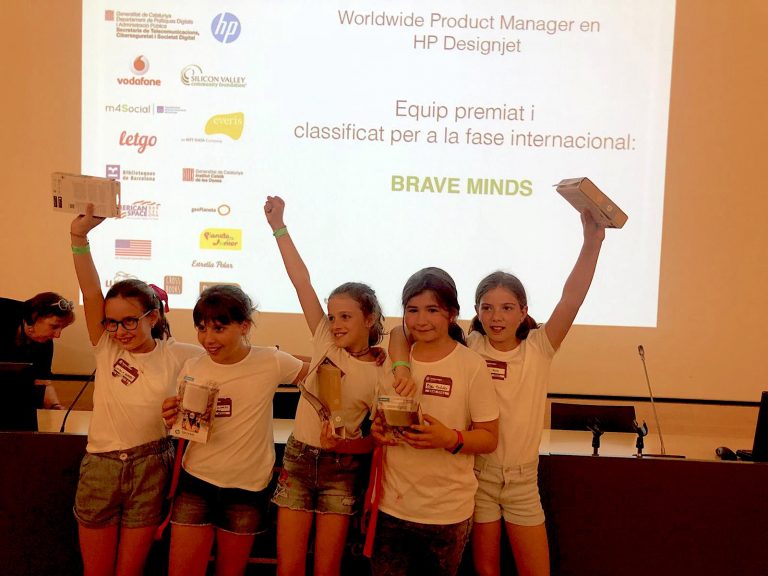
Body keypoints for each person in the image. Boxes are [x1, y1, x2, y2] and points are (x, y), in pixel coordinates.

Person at [469, 210, 607, 576]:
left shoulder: (539, 347)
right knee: (485, 570)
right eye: (487, 308)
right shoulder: (470, 347)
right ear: (476, 312)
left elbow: (571, 299)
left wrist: (592, 243)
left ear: (523, 312)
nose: (496, 317)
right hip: (479, 476)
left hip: (522, 481)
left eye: (507, 308)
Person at [70, 204, 203, 576]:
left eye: (130, 321)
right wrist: (78, 237)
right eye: (112, 323)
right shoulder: (106, 347)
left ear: (153, 316)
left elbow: (235, 356)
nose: (120, 331)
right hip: (101, 467)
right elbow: (90, 291)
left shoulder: (178, 354)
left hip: (151, 466)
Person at [264, 195, 388, 576]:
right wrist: (278, 227)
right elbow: (300, 280)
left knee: (327, 568)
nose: (335, 324)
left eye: (346, 316)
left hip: (341, 470)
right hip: (299, 460)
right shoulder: (324, 340)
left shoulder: (382, 370)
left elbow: (377, 439)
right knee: (288, 568)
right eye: (332, 316)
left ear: (369, 318)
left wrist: (344, 445)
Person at [160, 285, 309, 576]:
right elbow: (182, 423)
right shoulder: (193, 366)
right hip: (196, 482)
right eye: (201, 328)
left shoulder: (271, 361)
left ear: (245, 326)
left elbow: (320, 374)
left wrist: (371, 357)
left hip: (247, 489)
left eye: (219, 328)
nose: (208, 338)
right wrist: (171, 416)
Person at [371, 267, 499, 576]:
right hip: (392, 506)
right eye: (412, 310)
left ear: (452, 314)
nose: (421, 320)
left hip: (447, 512)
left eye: (432, 310)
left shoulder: (471, 365)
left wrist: (450, 439)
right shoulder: (395, 361)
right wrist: (378, 429)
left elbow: (489, 438)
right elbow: (379, 418)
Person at [0, 292, 76, 408]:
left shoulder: (45, 343)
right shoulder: (5, 313)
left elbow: (43, 383)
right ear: (34, 317)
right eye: (54, 326)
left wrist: (55, 406)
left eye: (62, 328)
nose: (57, 335)